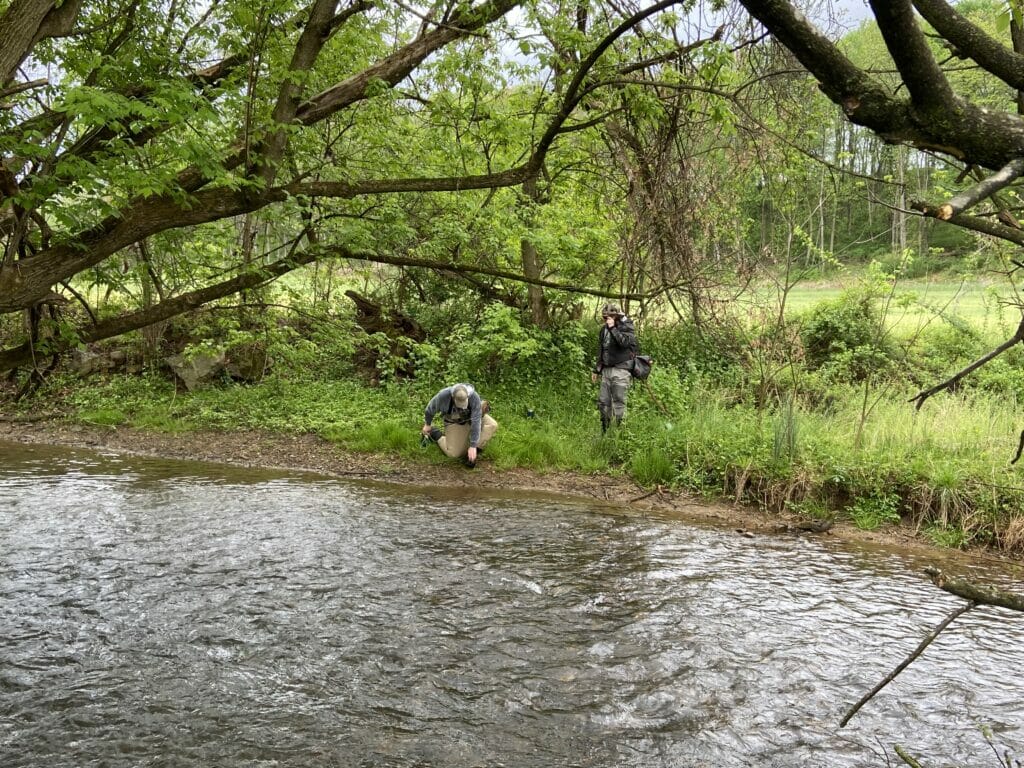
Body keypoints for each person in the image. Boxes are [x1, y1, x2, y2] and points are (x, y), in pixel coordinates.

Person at [421, 383, 498, 467]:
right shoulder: (443, 396)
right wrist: (427, 424)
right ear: (453, 397)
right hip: (454, 419)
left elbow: (476, 421)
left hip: (472, 417)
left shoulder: (474, 396)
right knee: (454, 454)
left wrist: (473, 446)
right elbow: (430, 409)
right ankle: (435, 433)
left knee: (492, 425)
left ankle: (472, 453)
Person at [591, 302, 637, 433]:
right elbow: (602, 349)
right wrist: (597, 369)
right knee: (603, 402)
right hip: (606, 370)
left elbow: (625, 343)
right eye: (605, 317)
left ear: (616, 316)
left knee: (618, 401)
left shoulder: (627, 326)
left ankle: (619, 433)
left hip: (621, 370)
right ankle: (605, 432)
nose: (606, 320)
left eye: (609, 317)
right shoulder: (603, 329)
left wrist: (613, 329)